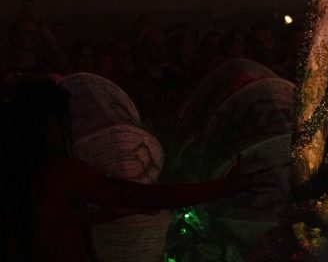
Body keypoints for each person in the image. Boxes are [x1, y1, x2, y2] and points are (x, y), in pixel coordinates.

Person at [0, 78, 265, 261]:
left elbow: (46, 222)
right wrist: (221, 187)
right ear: (46, 123)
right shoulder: (58, 172)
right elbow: (142, 195)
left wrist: (108, 214)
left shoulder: (17, 171)